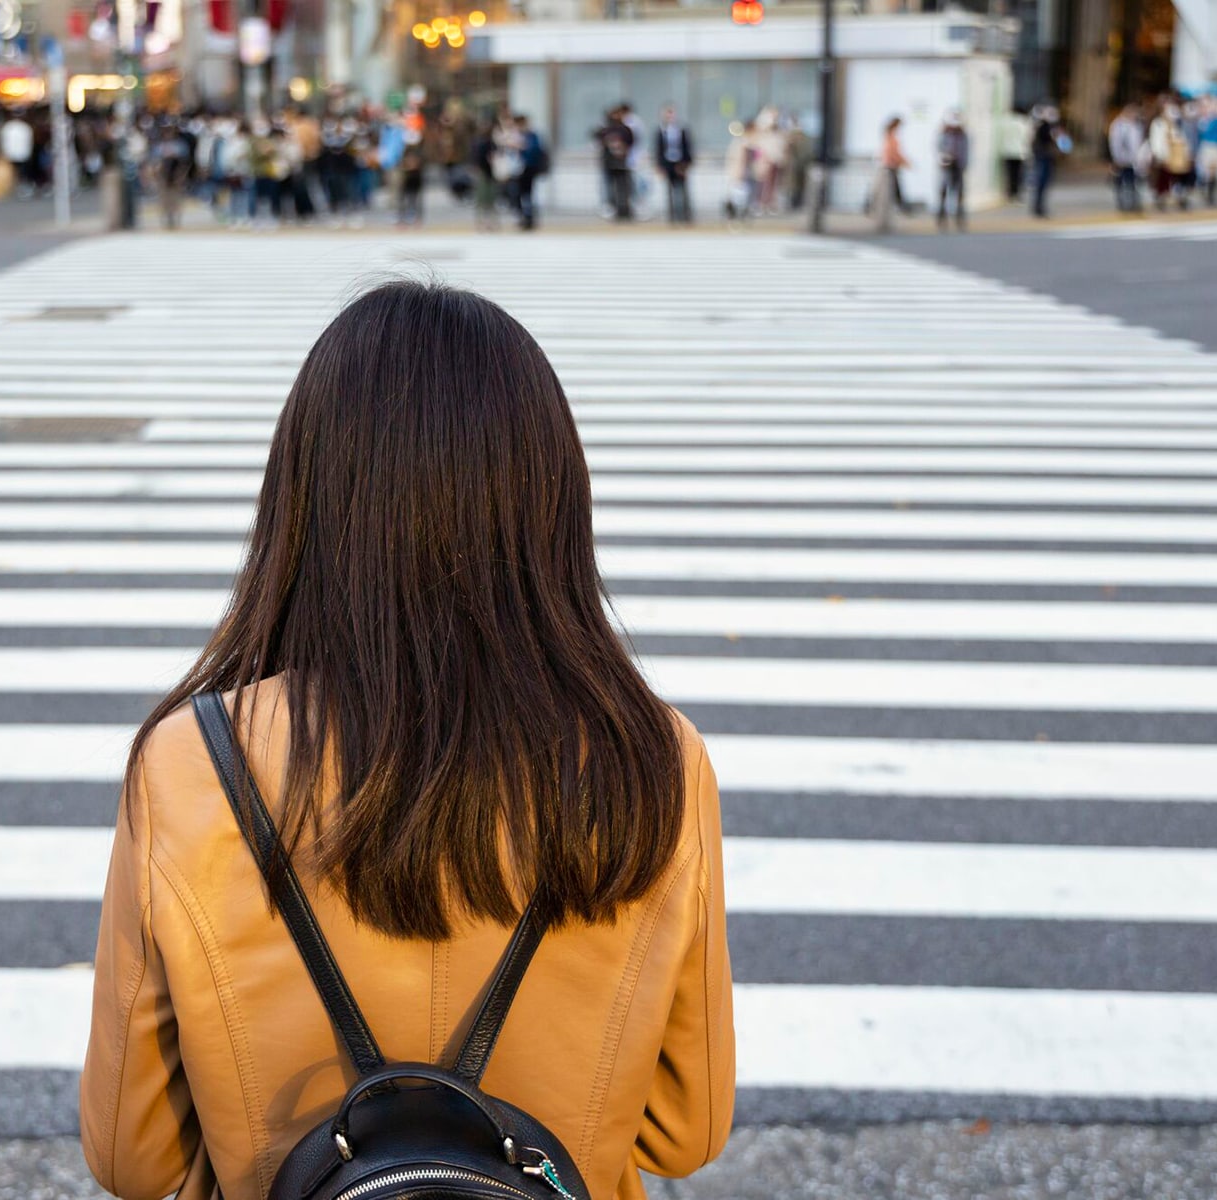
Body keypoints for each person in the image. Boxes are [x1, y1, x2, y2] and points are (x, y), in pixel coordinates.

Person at [81, 279, 736, 1200]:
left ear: (307, 497)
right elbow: (685, 1131)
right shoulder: (653, 761)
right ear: (547, 501)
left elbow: (131, 1153)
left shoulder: (193, 762)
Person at [1150, 99, 1193, 212]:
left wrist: (1186, 154)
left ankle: (1179, 197)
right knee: (1162, 179)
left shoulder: (1175, 125)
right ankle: (1161, 199)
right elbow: (1155, 141)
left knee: (1177, 178)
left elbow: (1182, 140)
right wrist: (1160, 155)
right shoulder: (1158, 123)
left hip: (1176, 157)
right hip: (1164, 157)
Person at [655, 104, 693, 224]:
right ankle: (672, 217)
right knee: (670, 192)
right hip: (668, 164)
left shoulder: (681, 130)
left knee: (682, 191)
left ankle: (685, 216)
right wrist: (660, 166)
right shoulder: (661, 131)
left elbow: (688, 148)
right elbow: (658, 150)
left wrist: (686, 164)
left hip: (680, 163)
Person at [1029, 103, 1068, 219]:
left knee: (1044, 183)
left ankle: (1040, 207)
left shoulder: (1052, 127)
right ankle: (1038, 207)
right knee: (1041, 182)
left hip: (1047, 157)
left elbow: (1064, 145)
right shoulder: (1043, 127)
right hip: (1043, 157)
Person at [596, 106, 634, 222]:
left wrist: (622, 149)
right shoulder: (605, 129)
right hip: (609, 163)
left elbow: (631, 142)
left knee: (624, 187)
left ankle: (625, 210)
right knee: (610, 188)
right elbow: (598, 139)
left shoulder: (625, 129)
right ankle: (613, 209)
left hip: (622, 163)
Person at [872, 115, 909, 232]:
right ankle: (885, 220)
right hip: (889, 169)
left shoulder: (887, 137)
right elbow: (894, 154)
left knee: (888, 195)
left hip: (887, 168)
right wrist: (906, 162)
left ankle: (885, 219)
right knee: (888, 195)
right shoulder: (892, 138)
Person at [934, 109, 969, 231]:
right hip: (946, 167)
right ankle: (941, 220)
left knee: (959, 194)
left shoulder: (963, 136)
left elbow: (966, 151)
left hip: (958, 167)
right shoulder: (943, 135)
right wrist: (943, 160)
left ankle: (960, 220)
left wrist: (964, 164)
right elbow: (939, 149)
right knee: (943, 193)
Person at [1108, 103, 1146, 213]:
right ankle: (1124, 203)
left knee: (1134, 183)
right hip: (1123, 160)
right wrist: (1117, 159)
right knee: (1122, 183)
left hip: (1134, 161)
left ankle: (1133, 202)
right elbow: (1115, 144)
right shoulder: (1118, 126)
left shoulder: (1136, 125)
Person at [514, 113, 548, 231]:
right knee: (518, 194)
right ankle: (523, 216)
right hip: (516, 169)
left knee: (528, 194)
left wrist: (523, 147)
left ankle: (529, 218)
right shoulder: (516, 135)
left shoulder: (531, 135)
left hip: (529, 168)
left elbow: (535, 149)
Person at [998, 106, 1031, 202]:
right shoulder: (1023, 124)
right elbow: (1026, 138)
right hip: (1019, 152)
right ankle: (1016, 193)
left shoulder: (1006, 123)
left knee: (1010, 174)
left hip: (1007, 151)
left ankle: (1010, 193)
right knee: (1018, 174)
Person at [1199, 99, 1217, 207]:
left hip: (1213, 147)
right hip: (1212, 148)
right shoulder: (1215, 122)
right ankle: (1209, 195)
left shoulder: (1214, 121)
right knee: (1211, 174)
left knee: (1212, 174)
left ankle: (1211, 195)